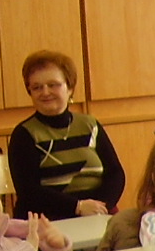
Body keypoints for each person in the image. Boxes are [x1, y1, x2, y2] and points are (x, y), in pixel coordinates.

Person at [7, 50, 125, 219]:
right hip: (49, 219)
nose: (45, 92)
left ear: (69, 88)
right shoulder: (24, 134)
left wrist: (100, 207)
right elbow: (29, 191)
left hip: (97, 213)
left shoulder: (90, 125)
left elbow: (115, 173)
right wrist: (78, 207)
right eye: (37, 87)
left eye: (53, 85)